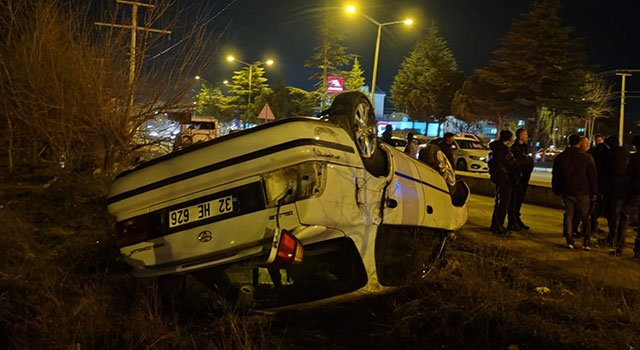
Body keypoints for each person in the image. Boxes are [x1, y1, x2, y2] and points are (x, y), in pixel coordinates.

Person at [552, 134, 598, 250]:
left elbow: (556, 175)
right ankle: (586, 242)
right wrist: (594, 192)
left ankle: (569, 240)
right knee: (585, 217)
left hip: (567, 190)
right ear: (579, 143)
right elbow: (592, 177)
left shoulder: (561, 157)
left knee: (568, 215)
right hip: (583, 191)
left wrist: (556, 189)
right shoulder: (587, 158)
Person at [600, 135, 630, 255]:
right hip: (624, 189)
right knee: (623, 216)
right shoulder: (626, 154)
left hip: (611, 189)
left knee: (611, 213)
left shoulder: (607, 155)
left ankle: (613, 236)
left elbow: (603, 172)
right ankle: (617, 238)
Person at [487, 129, 518, 236]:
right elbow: (512, 164)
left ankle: (495, 224)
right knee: (503, 203)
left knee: (498, 202)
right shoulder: (504, 150)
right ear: (509, 139)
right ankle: (498, 226)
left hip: (496, 177)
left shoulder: (493, 148)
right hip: (505, 179)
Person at [508, 128, 534, 230]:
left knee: (519, 200)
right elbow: (518, 162)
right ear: (519, 136)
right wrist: (526, 160)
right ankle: (513, 221)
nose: (527, 136)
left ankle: (517, 219)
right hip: (517, 178)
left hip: (523, 178)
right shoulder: (515, 148)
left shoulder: (524, 147)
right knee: (514, 200)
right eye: (525, 134)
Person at [587, 133, 608, 235]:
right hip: (597, 184)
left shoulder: (593, 153)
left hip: (598, 183)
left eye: (599, 141)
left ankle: (592, 225)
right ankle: (591, 226)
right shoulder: (600, 153)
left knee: (595, 207)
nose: (598, 143)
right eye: (597, 141)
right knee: (595, 207)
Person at [625, 135, 640, 258]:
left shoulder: (634, 158)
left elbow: (628, 176)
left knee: (627, 218)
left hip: (635, 193)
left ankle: (638, 249)